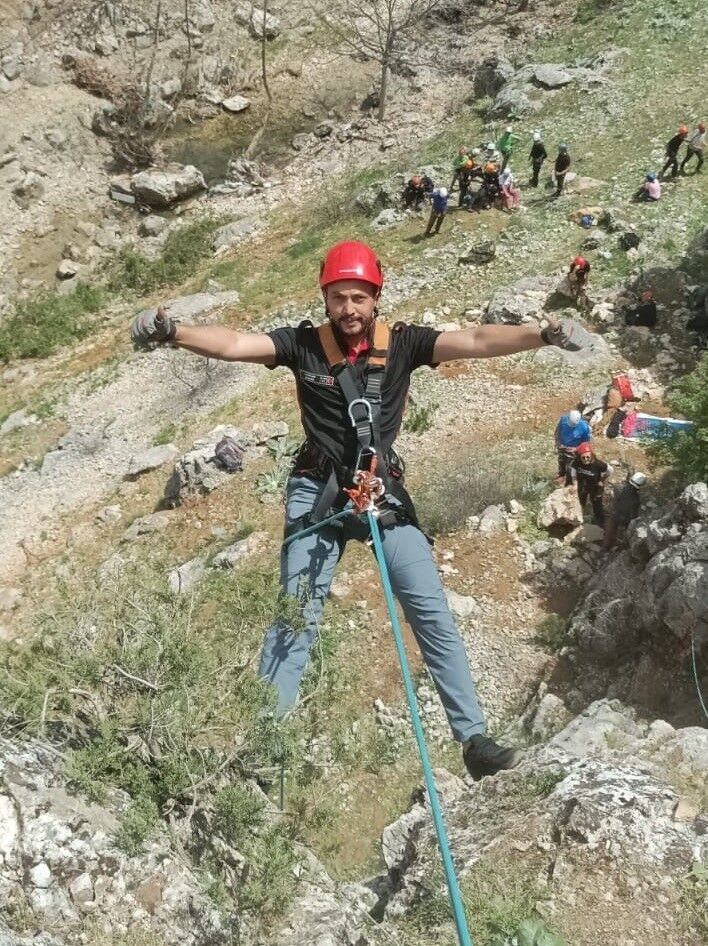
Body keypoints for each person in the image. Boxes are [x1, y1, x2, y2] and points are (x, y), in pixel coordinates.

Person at [130, 240, 583, 780]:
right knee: (296, 618)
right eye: (339, 297)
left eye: (359, 298)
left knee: (430, 609)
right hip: (317, 489)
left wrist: (543, 336)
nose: (349, 309)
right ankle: (261, 746)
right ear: (326, 299)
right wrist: (173, 332)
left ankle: (474, 741)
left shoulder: (407, 343)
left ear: (376, 297)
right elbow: (232, 345)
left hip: (379, 490)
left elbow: (478, 340)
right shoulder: (301, 346)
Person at [603, 472, 646, 550]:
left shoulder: (618, 488)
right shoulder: (636, 499)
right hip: (624, 520)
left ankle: (605, 547)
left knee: (609, 531)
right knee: (622, 534)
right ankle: (619, 548)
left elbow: (616, 490)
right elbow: (634, 516)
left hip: (614, 514)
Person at [571, 442, 609, 525]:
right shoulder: (577, 462)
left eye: (588, 457)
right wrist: (575, 484)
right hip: (583, 485)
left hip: (595, 487)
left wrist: (602, 480)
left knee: (597, 505)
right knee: (580, 502)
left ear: (591, 455)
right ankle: (578, 518)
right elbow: (573, 473)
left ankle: (600, 522)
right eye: (583, 457)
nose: (585, 459)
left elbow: (610, 470)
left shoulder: (598, 464)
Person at [555, 408, 592, 484]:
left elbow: (586, 443)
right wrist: (557, 442)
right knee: (561, 462)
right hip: (562, 447)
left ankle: (568, 482)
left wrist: (576, 449)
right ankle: (561, 476)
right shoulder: (563, 419)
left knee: (570, 468)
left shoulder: (584, 428)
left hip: (574, 450)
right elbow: (557, 431)